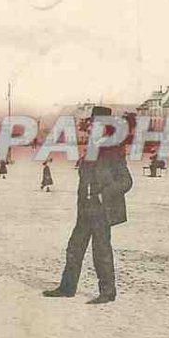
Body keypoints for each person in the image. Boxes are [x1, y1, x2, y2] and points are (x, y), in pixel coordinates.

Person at [43, 106, 133, 304]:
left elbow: (126, 181)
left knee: (101, 251)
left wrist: (103, 195)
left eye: (95, 124)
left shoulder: (113, 150)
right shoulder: (92, 148)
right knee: (74, 247)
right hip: (85, 208)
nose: (91, 127)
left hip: (101, 209)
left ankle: (108, 292)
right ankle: (67, 288)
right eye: (91, 124)